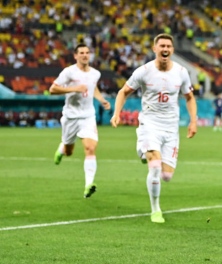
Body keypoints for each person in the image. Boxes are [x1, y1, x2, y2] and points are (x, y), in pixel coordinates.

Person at [110, 33, 198, 223]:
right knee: (155, 166)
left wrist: (193, 121)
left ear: (172, 50)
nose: (165, 49)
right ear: (155, 48)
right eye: (162, 46)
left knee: (166, 175)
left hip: (171, 128)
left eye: (168, 46)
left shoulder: (181, 72)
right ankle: (155, 209)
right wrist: (117, 113)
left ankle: (144, 152)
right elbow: (123, 92)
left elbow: (189, 97)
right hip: (150, 123)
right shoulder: (144, 71)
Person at [50, 43, 110, 198]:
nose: (84, 55)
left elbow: (92, 87)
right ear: (75, 56)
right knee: (70, 151)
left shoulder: (95, 73)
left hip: (88, 116)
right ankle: (62, 148)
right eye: (81, 53)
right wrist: (74, 89)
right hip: (70, 117)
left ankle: (88, 184)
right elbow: (53, 89)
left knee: (90, 148)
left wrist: (101, 99)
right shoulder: (68, 72)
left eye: (87, 52)